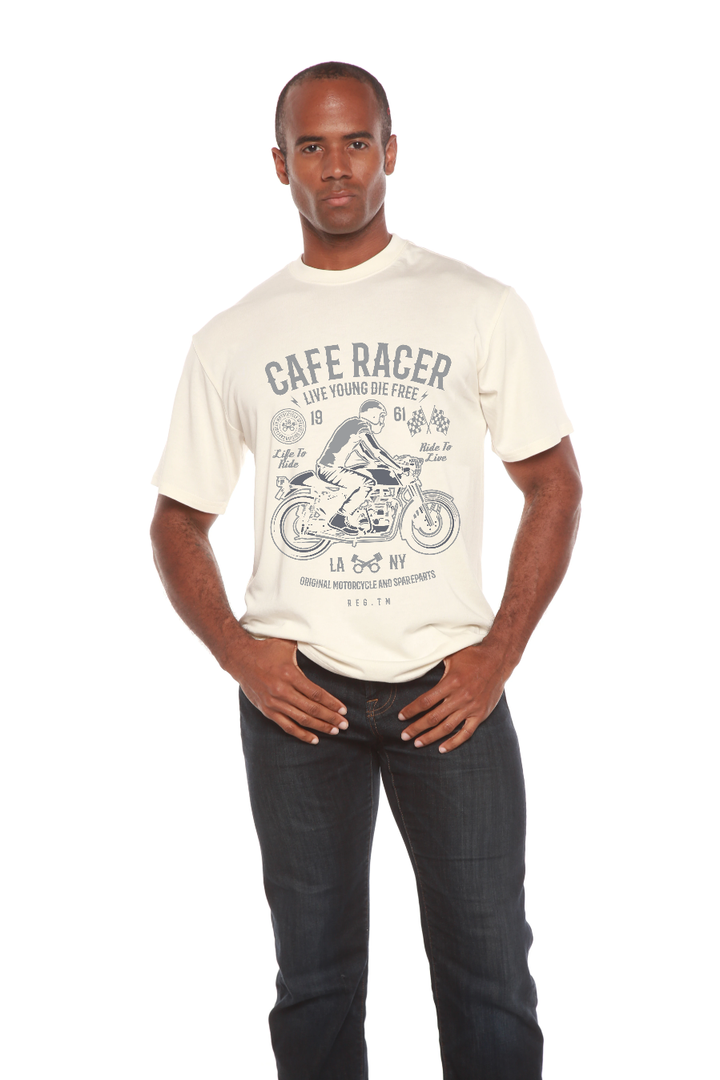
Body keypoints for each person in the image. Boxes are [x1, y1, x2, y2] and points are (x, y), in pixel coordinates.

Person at [150, 60, 582, 1080]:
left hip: (452, 694)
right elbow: (177, 521)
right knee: (314, 980)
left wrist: (498, 654)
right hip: (298, 701)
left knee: (490, 974)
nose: (336, 166)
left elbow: (554, 485)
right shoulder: (231, 337)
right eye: (312, 146)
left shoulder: (478, 305)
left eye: (356, 142)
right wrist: (240, 656)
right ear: (280, 164)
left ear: (391, 152)